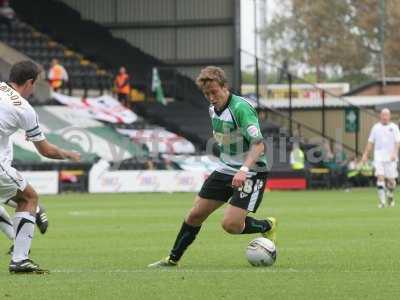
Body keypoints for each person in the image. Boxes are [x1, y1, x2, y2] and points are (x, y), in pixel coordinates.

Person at [148, 66, 276, 268]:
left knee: (231, 226)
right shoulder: (212, 109)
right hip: (225, 169)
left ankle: (267, 225)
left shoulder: (241, 108)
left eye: (214, 92)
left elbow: (259, 144)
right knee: (195, 214)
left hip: (251, 171)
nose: (211, 97)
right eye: (206, 94)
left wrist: (243, 170)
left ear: (225, 87)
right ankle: (172, 259)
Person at [0, 60, 80, 273]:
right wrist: (67, 154)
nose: (34, 89)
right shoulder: (24, 108)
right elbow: (46, 151)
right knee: (29, 198)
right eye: (35, 85)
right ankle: (19, 259)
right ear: (29, 82)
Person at [362, 108, 400, 208]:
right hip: (378, 156)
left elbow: (397, 142)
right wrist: (366, 154)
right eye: (383, 115)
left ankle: (390, 195)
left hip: (391, 157)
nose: (384, 117)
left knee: (391, 180)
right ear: (380, 116)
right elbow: (370, 142)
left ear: (389, 116)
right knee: (380, 177)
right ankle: (382, 202)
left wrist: (395, 153)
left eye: (386, 115)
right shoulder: (375, 127)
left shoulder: (394, 127)